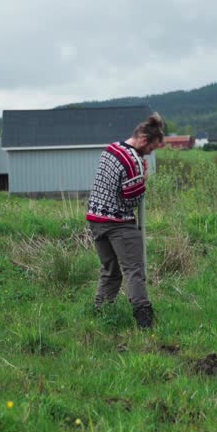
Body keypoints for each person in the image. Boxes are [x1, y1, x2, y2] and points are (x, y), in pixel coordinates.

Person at [86, 112, 166, 328]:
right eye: (151, 148)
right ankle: (144, 320)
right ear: (143, 140)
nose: (150, 154)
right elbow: (132, 200)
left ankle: (102, 314)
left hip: (96, 219)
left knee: (110, 271)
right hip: (118, 223)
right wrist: (144, 179)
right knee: (134, 270)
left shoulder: (111, 149)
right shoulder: (133, 163)